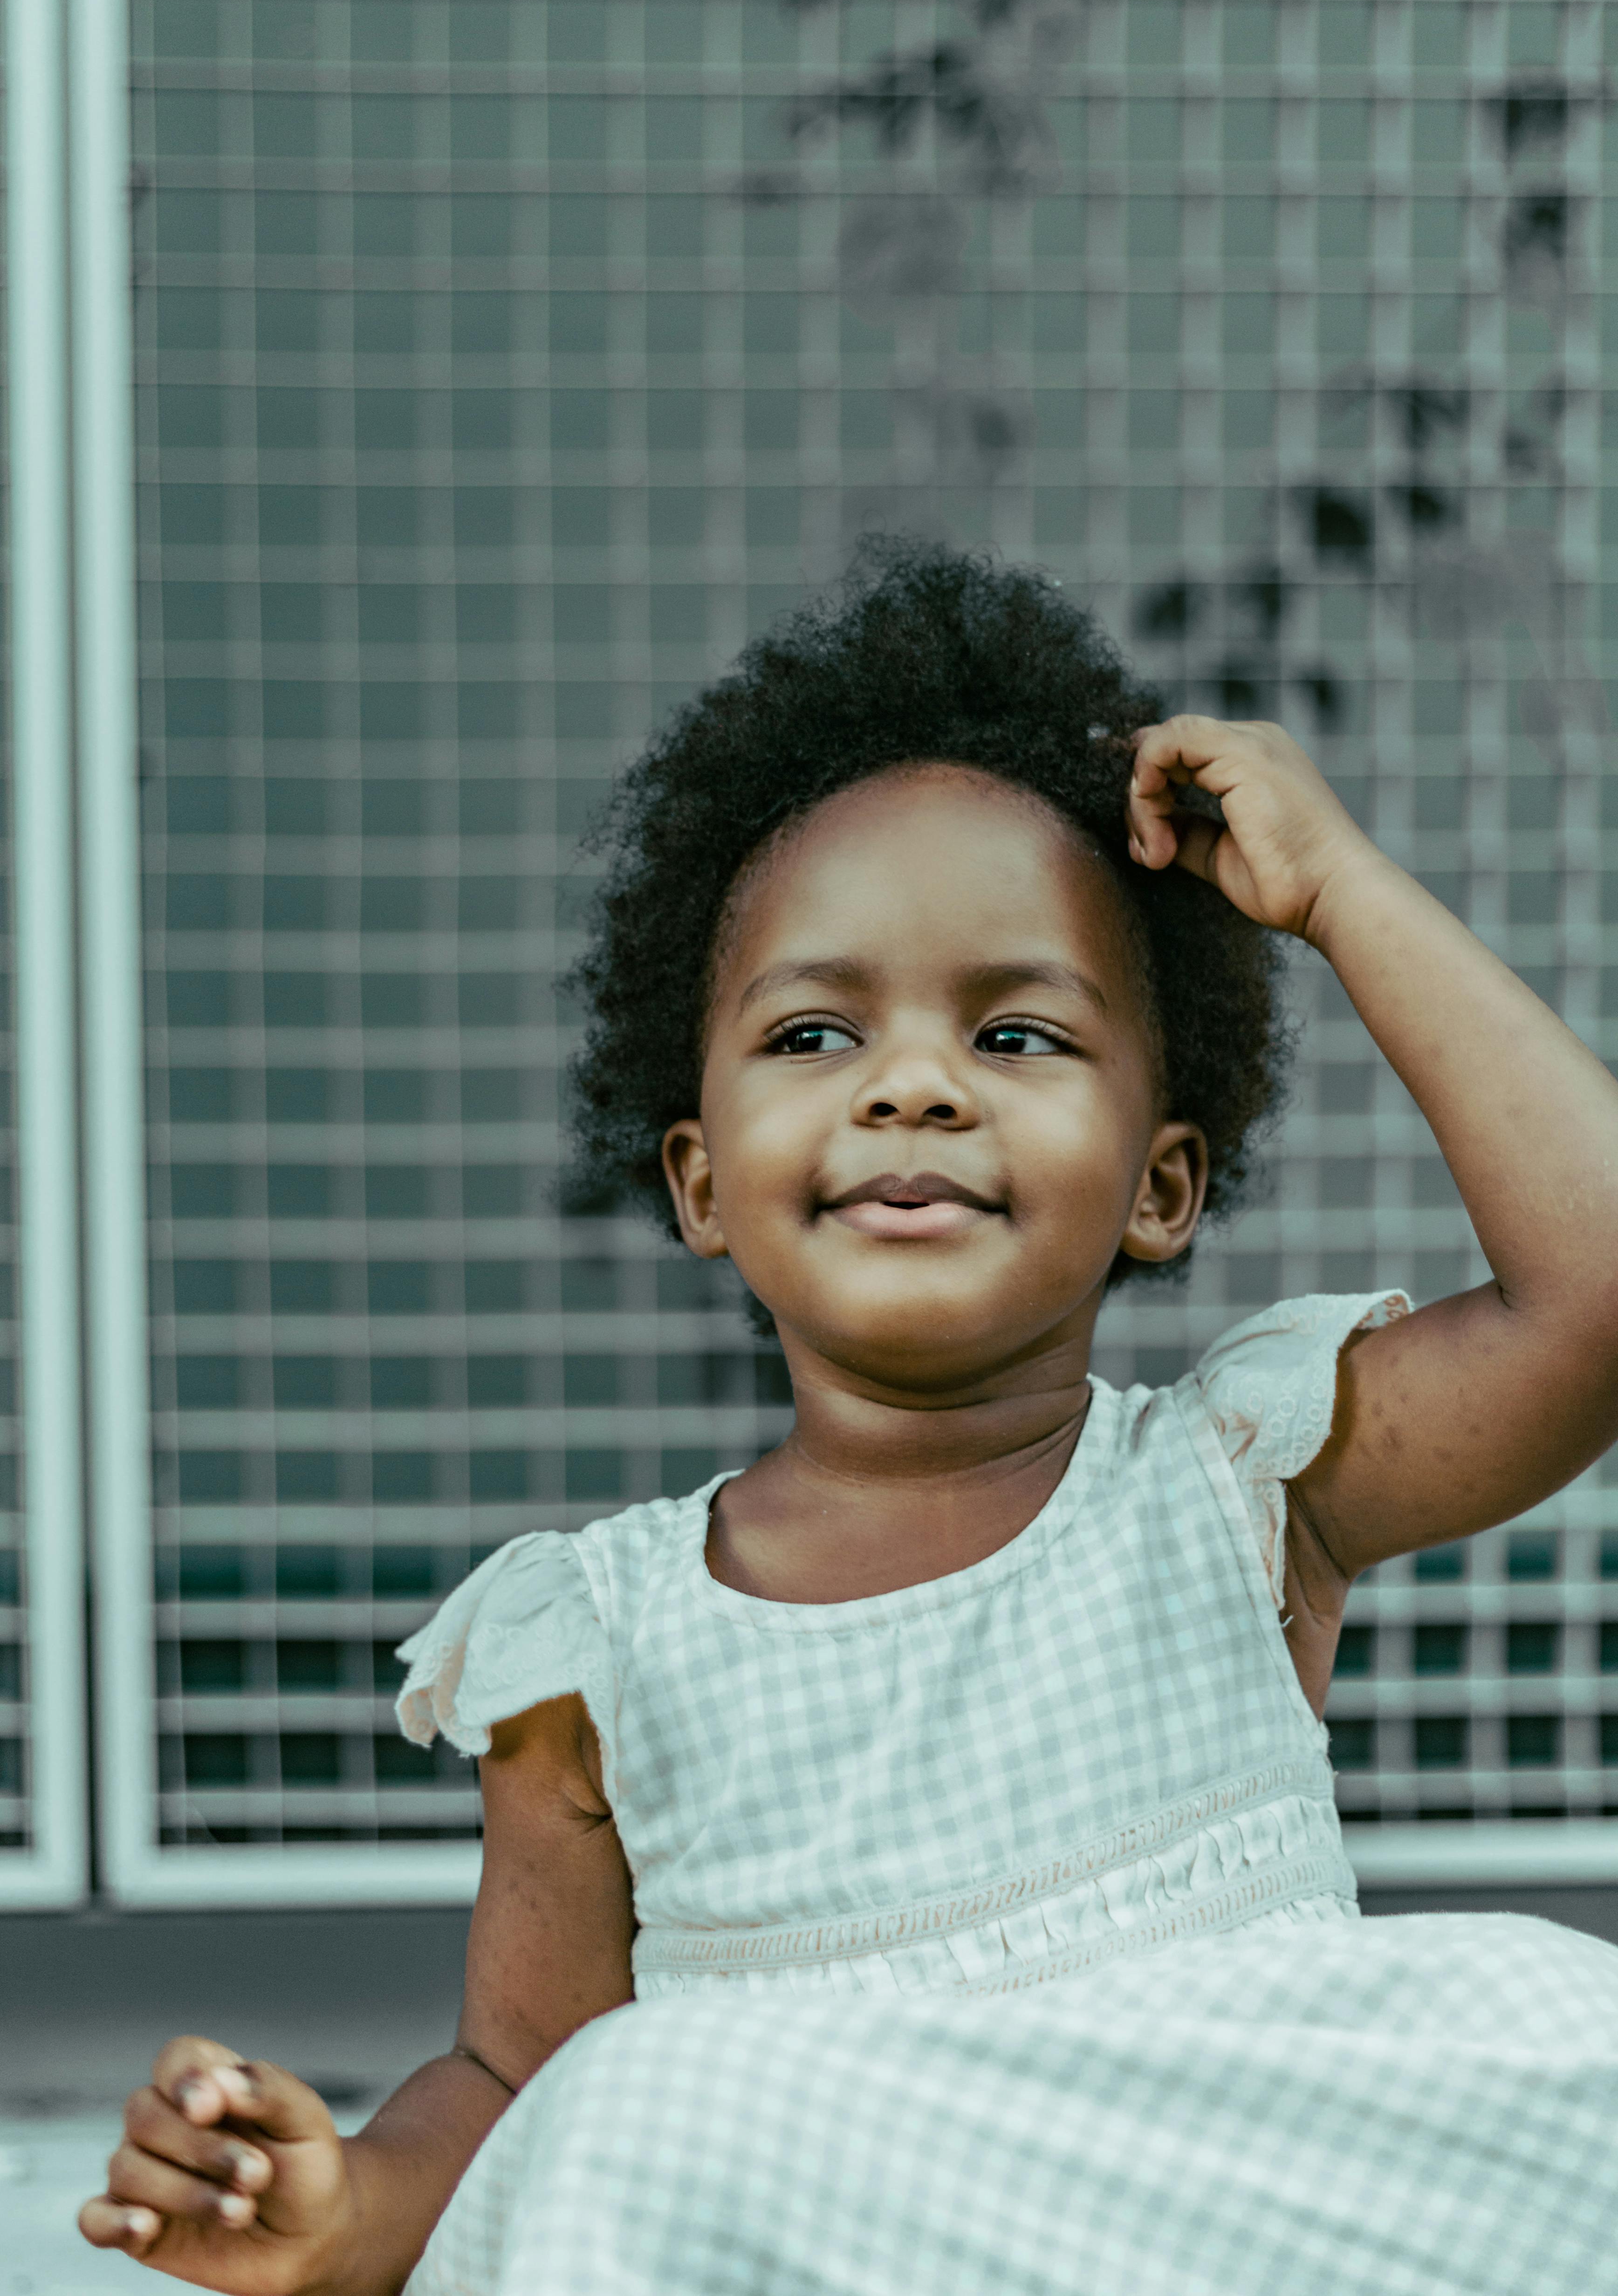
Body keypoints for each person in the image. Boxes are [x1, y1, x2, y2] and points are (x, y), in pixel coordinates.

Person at [82, 544, 1618, 2294]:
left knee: (1557, 2014)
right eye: (816, 1030)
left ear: (1163, 1184)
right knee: (632, 2102)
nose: (912, 1082)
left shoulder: (1239, 1485)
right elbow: (513, 2083)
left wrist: (1345, 892)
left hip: (1219, 2223)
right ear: (702, 1181)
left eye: (1020, 1036)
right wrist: (346, 2208)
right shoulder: (600, 1641)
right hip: (861, 2241)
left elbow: (1598, 1297)